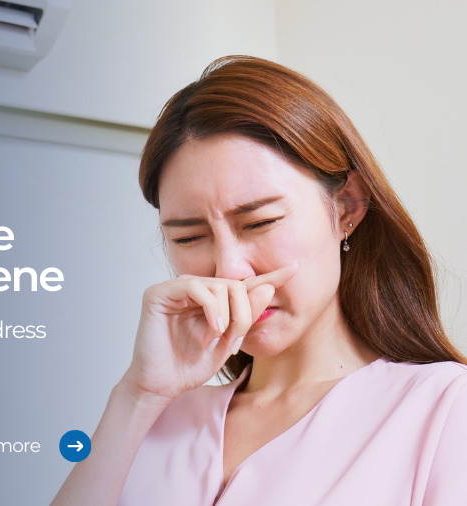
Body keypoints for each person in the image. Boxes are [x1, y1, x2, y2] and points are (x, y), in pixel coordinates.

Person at [50, 55, 467, 506]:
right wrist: (138, 393)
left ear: (346, 206)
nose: (229, 270)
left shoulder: (444, 408)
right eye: (190, 236)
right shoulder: (154, 420)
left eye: (260, 223)